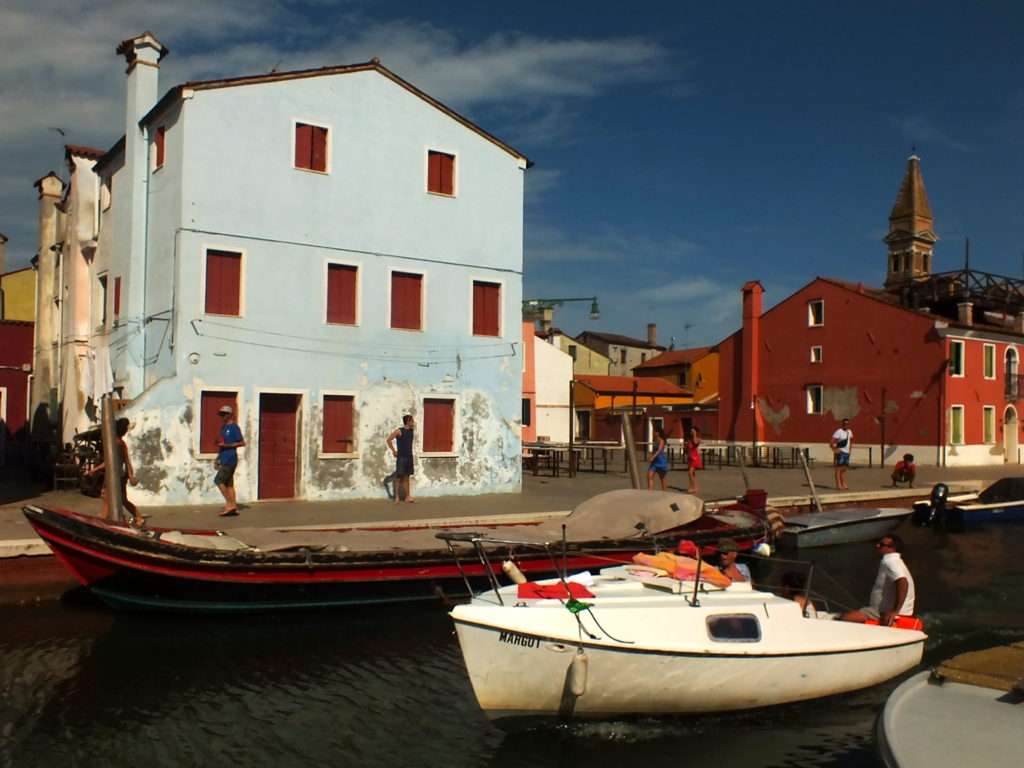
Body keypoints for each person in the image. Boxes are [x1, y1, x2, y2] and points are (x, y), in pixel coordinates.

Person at [841, 534, 916, 625]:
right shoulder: (897, 561)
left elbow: (903, 581)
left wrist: (895, 611)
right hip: (892, 611)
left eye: (881, 545)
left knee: (843, 619)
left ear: (891, 548)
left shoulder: (890, 561)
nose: (877, 546)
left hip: (883, 612)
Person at [88, 417, 142, 527]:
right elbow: (113, 461)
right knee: (120, 499)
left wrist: (95, 470)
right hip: (120, 476)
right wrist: (95, 470)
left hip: (117, 476)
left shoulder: (117, 443)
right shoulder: (119, 443)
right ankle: (135, 518)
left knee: (108, 498)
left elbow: (120, 461)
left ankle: (102, 520)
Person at [215, 405, 246, 517]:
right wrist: (217, 458)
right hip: (224, 458)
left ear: (229, 415)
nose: (222, 416)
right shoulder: (223, 428)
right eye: (221, 414)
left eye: (224, 414)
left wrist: (228, 445)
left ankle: (230, 504)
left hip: (230, 459)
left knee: (218, 480)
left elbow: (242, 442)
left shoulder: (234, 427)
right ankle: (234, 507)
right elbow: (221, 444)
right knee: (229, 484)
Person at [386, 414, 416, 503]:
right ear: (407, 422)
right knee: (399, 478)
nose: (413, 422)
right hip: (401, 457)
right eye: (412, 421)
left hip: (409, 457)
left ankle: (408, 497)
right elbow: (388, 440)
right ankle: (397, 497)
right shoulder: (399, 431)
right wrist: (393, 451)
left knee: (407, 477)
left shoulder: (411, 431)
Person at [831, 418, 853, 490]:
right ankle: (839, 485)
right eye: (844, 424)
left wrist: (850, 450)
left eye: (847, 424)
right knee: (838, 469)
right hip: (841, 452)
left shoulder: (849, 432)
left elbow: (851, 441)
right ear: (842, 424)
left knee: (844, 469)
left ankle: (843, 483)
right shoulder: (839, 431)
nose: (845, 425)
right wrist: (835, 450)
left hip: (847, 453)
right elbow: (832, 442)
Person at [647, 425, 669, 491]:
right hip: (654, 462)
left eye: (654, 431)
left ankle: (665, 493)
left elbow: (659, 450)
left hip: (661, 462)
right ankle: (650, 492)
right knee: (649, 476)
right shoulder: (655, 440)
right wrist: (650, 455)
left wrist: (653, 457)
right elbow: (654, 450)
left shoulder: (661, 441)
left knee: (662, 478)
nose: (653, 432)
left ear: (658, 433)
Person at [686, 427, 703, 494]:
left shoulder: (697, 439)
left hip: (695, 458)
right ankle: (694, 487)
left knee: (690, 473)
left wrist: (695, 434)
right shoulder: (689, 439)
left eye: (693, 431)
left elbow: (695, 442)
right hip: (690, 458)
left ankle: (693, 487)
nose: (691, 432)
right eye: (691, 431)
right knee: (692, 473)